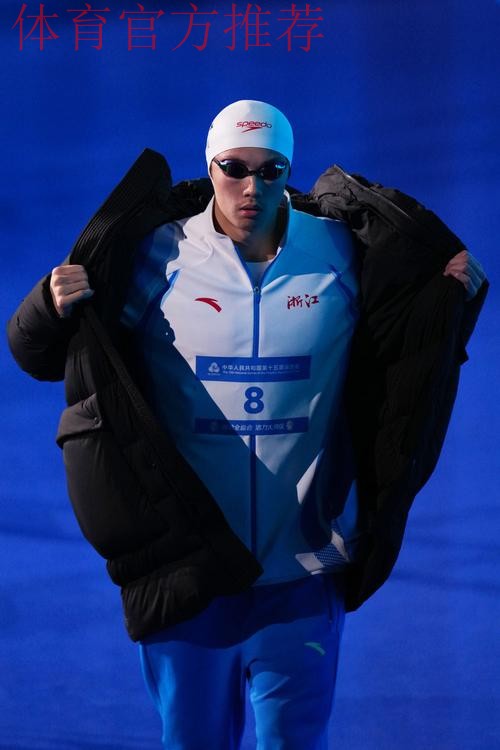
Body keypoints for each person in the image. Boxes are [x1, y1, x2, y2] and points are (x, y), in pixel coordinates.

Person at [7, 100, 487, 750]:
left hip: (305, 573)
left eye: (270, 170)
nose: (251, 187)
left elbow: (405, 353)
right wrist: (46, 303)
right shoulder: (154, 254)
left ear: (289, 169)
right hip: (191, 576)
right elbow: (36, 352)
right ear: (211, 166)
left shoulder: (340, 252)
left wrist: (452, 300)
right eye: (234, 168)